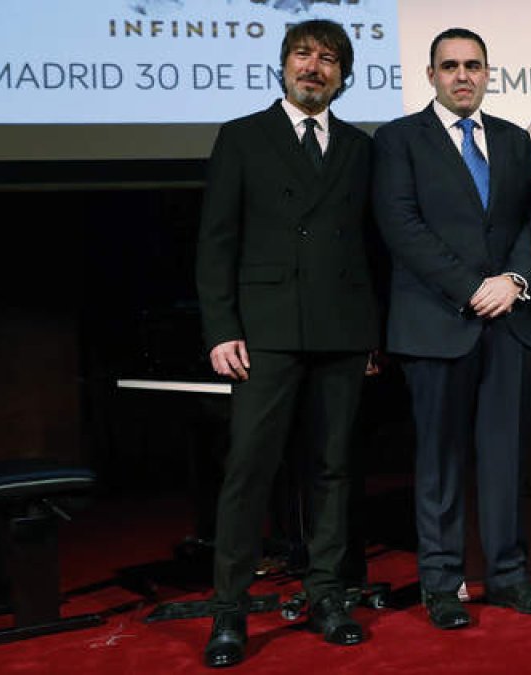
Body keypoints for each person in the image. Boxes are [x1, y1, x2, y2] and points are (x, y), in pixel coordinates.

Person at [196, 19, 378, 668]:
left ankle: (327, 596)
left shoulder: (360, 147)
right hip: (265, 332)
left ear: (342, 75)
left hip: (341, 331)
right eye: (303, 54)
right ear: (283, 64)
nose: (314, 66)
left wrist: (371, 335)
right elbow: (216, 242)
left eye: (329, 59)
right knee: (249, 470)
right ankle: (229, 613)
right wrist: (221, 328)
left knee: (330, 470)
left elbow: (369, 248)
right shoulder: (243, 137)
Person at [371, 27, 531, 630]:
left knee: (504, 459)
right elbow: (401, 225)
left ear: (486, 72)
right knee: (441, 462)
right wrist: (470, 287)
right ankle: (443, 583)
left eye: (473, 65)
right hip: (437, 324)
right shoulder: (398, 140)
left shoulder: (509, 140)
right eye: (449, 65)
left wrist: (515, 282)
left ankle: (508, 577)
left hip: (509, 322)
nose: (462, 75)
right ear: (430, 75)